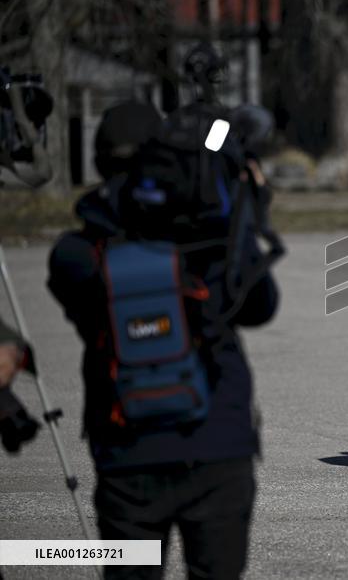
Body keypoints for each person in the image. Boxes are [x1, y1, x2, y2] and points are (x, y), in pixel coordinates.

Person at [47, 100, 280, 579]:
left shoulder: (78, 253)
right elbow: (261, 305)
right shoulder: (209, 239)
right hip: (218, 445)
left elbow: (81, 301)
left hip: (127, 453)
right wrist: (242, 208)